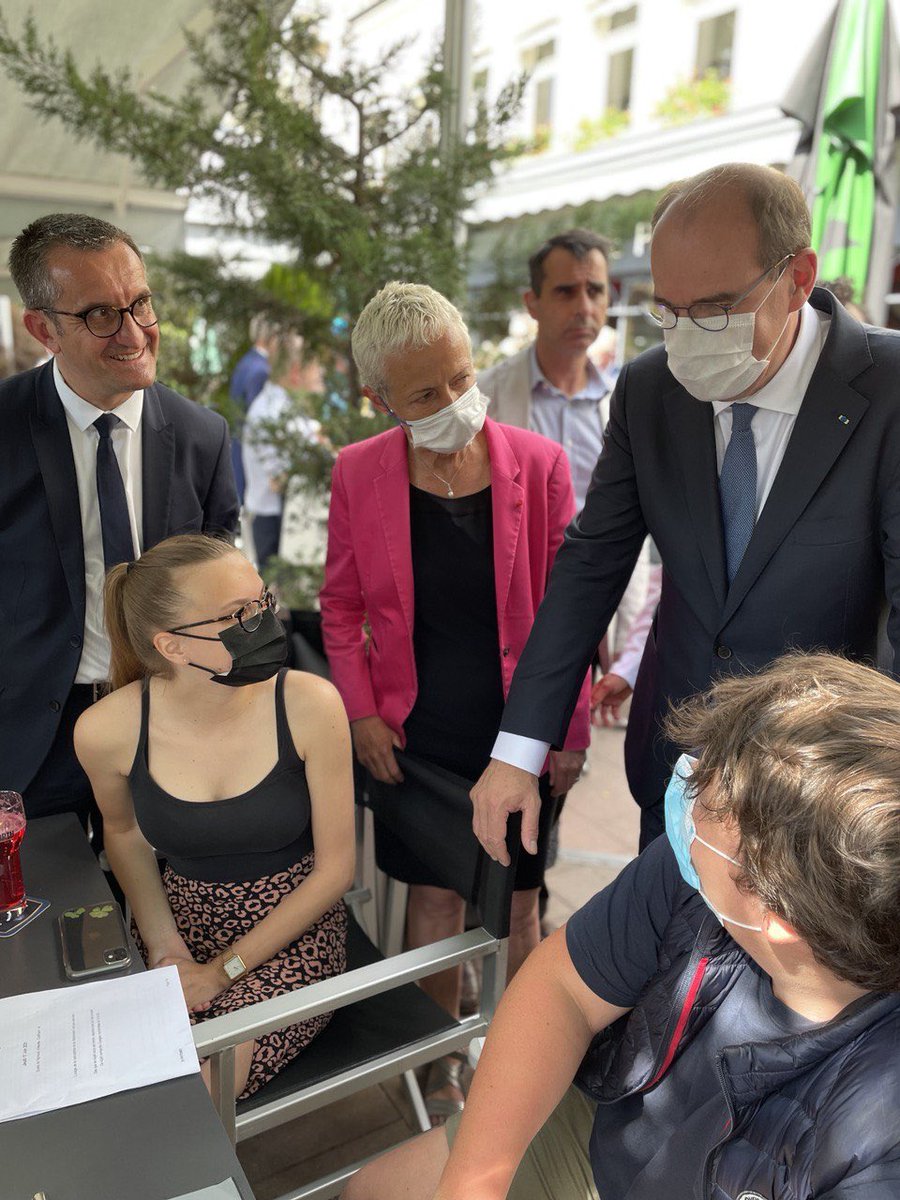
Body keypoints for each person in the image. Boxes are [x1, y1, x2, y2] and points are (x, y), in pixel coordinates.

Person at [343, 652, 900, 1200]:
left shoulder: (874, 1148)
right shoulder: (699, 877)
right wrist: (471, 1186)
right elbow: (561, 987)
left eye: (711, 795)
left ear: (776, 918)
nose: (688, 788)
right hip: (595, 1132)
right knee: (370, 1190)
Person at [471, 161, 900, 856]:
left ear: (797, 278)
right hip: (673, 767)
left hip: (819, 798)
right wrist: (517, 751)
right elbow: (591, 565)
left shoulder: (888, 391)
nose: (688, 337)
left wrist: (876, 795)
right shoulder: (649, 391)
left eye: (715, 309)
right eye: (667, 311)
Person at [320, 281, 590, 1122]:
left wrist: (567, 728)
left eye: (460, 378)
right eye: (425, 394)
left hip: (522, 727)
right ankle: (435, 1071)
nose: (452, 403)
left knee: (516, 904)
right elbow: (340, 606)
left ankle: (526, 1065)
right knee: (435, 902)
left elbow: (572, 610)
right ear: (381, 401)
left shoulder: (538, 466)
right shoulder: (359, 473)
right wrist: (360, 710)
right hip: (419, 733)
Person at [74, 534, 353, 1100]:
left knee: (194, 1090)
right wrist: (163, 947)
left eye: (262, 603)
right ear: (171, 647)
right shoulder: (106, 730)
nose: (263, 623)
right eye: (236, 614)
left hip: (293, 934)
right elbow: (123, 833)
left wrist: (221, 971)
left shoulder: (309, 704)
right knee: (117, 1082)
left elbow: (336, 870)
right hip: (176, 926)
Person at [1, 213, 238, 828]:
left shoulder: (201, 438)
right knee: (48, 917)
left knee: (159, 912)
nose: (134, 333)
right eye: (101, 314)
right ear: (42, 329)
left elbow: (218, 596)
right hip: (31, 743)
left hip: (168, 725)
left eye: (141, 304)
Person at [243, 348, 323, 575]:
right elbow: (278, 480)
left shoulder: (285, 405)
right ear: (296, 372)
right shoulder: (270, 411)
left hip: (289, 518)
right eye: (314, 366)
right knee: (281, 604)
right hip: (276, 523)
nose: (320, 372)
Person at [229, 314, 277, 504]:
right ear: (270, 338)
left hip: (238, 445)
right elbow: (259, 421)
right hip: (249, 453)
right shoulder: (261, 370)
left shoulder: (245, 362)